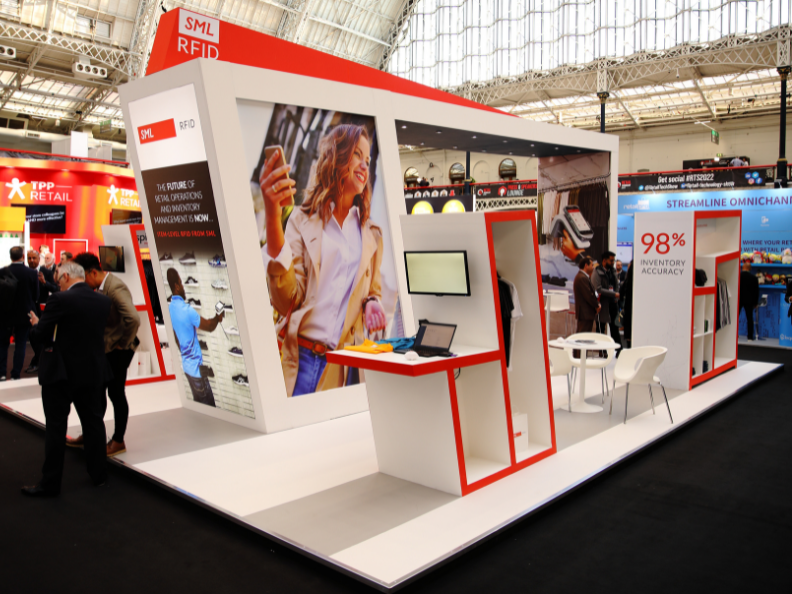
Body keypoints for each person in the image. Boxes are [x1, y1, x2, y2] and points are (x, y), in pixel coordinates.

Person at [259, 123, 387, 397]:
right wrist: (272, 215)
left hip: (340, 365)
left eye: (368, 159)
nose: (364, 165)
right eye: (356, 155)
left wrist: (373, 303)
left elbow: (372, 291)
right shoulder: (302, 221)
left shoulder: (372, 236)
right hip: (298, 357)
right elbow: (286, 300)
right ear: (336, 156)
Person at [22, 261, 112, 497]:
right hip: (92, 372)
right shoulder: (103, 301)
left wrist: (35, 325)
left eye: (58, 278)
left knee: (56, 427)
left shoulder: (59, 300)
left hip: (60, 374)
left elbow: (41, 335)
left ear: (64, 277)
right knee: (93, 424)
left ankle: (50, 483)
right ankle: (99, 475)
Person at [67, 253, 140, 456]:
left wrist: (122, 344)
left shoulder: (115, 286)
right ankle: (92, 434)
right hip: (104, 349)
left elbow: (133, 318)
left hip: (117, 351)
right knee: (97, 392)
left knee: (115, 393)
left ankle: (118, 440)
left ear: (92, 272)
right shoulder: (97, 288)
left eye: (82, 277)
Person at [167, 268, 223, 407]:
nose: (183, 287)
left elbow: (175, 337)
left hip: (187, 368)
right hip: (197, 372)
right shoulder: (187, 310)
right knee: (210, 410)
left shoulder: (171, 308)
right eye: (181, 282)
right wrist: (218, 317)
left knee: (200, 408)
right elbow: (209, 326)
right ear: (177, 286)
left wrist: (187, 349)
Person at [0, 246, 39, 381]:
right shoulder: (31, 273)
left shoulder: (3, 272)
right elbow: (36, 295)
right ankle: (16, 374)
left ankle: (2, 373)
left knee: (3, 344)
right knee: (21, 344)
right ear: (23, 256)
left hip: (5, 314)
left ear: (10, 256)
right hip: (25, 313)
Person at [592, 250, 621, 345]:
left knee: (614, 327)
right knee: (601, 328)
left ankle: (618, 349)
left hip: (613, 304)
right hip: (602, 305)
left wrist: (616, 297)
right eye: (611, 261)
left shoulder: (613, 271)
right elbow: (598, 289)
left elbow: (616, 285)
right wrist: (613, 294)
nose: (613, 263)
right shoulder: (597, 272)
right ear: (604, 261)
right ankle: (601, 349)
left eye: (613, 261)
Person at [573, 256, 600, 333]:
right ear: (586, 265)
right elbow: (589, 295)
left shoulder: (584, 277)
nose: (593, 267)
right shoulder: (582, 278)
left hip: (587, 313)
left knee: (584, 336)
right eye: (592, 265)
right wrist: (597, 305)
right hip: (585, 313)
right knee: (582, 337)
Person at [737, 260, 759, 341]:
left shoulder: (738, 276)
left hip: (738, 300)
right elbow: (756, 291)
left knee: (735, 318)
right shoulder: (754, 278)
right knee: (750, 318)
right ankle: (750, 337)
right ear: (750, 269)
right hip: (749, 301)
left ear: (743, 267)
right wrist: (755, 302)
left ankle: (735, 335)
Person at [620, 262, 635, 348]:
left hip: (628, 308)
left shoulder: (627, 280)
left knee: (629, 331)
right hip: (634, 309)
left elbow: (621, 294)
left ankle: (629, 348)